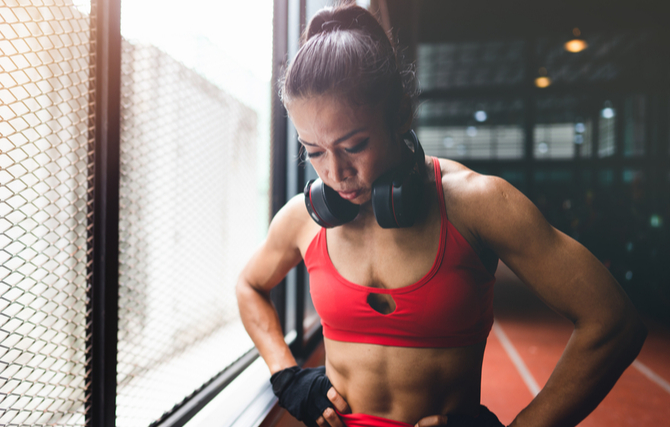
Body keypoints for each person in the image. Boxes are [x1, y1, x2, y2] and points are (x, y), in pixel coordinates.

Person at [236, 4, 647, 427]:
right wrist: (287, 378)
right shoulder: (304, 218)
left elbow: (613, 322)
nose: (335, 174)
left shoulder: (478, 203)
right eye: (315, 152)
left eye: (354, 145)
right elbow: (250, 285)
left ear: (397, 115)